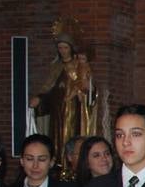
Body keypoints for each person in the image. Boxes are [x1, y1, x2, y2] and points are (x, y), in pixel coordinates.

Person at [31, 30, 103, 162]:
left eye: (65, 47)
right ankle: (58, 162)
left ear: (71, 48)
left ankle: (70, 163)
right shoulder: (55, 67)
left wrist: (84, 90)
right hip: (58, 109)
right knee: (56, 137)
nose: (63, 51)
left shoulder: (78, 65)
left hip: (73, 109)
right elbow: (48, 88)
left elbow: (87, 87)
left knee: (70, 135)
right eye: (60, 48)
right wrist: (40, 99)